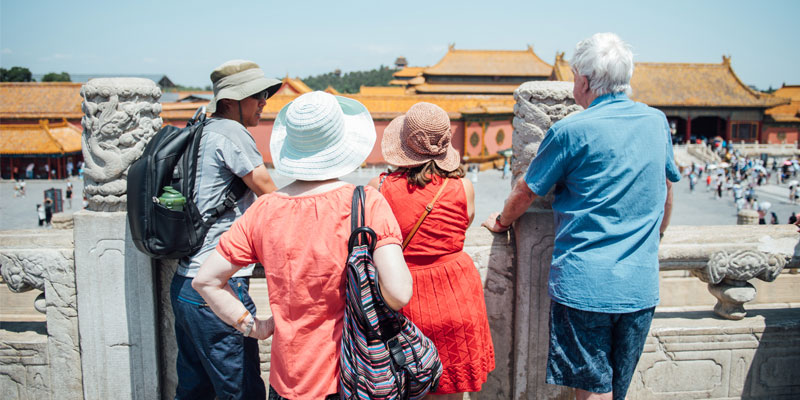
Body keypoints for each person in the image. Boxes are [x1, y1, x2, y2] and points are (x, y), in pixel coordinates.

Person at [482, 33, 680, 400]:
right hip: (639, 285)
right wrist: (658, 233)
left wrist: (502, 222)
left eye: (574, 76)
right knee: (617, 387)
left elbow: (527, 191)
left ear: (585, 82)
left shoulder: (570, 130)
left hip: (585, 285)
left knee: (591, 391)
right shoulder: (656, 122)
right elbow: (667, 189)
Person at [193, 91, 413, 399]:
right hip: (356, 374)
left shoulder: (263, 209)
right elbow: (399, 293)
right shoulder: (367, 203)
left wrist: (254, 327)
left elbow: (205, 280)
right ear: (342, 142)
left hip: (288, 379)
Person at [170, 59, 282, 400]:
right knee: (242, 390)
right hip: (219, 287)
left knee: (194, 389)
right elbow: (269, 194)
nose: (263, 102)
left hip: (186, 284)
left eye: (265, 94)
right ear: (231, 101)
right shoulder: (233, 133)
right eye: (257, 95)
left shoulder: (201, 129)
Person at [368, 102, 495, 398]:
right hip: (457, 295)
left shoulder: (379, 187)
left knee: (406, 386)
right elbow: (464, 223)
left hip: (405, 296)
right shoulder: (463, 187)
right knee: (451, 391)